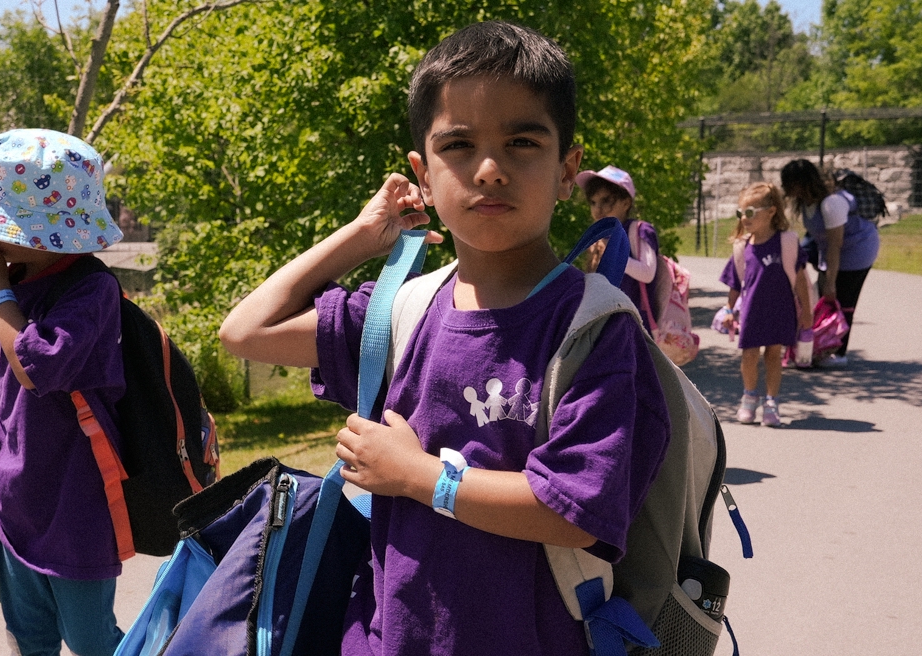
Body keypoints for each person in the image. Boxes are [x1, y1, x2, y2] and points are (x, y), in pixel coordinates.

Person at [218, 22, 670, 656]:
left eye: (522, 142)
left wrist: (418, 476)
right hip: (383, 639)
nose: (489, 170)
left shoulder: (593, 327)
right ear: (422, 177)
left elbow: (571, 510)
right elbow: (245, 331)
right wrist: (362, 233)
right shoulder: (400, 312)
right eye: (458, 145)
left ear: (569, 169)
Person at [0, 129, 128, 656]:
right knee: (28, 637)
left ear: (39, 232)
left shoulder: (90, 289)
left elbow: (36, 367)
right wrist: (3, 291)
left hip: (75, 503)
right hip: (17, 498)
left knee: (92, 640)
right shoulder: (22, 284)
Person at [719, 183, 812, 427]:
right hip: (752, 311)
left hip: (780, 308)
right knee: (749, 355)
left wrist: (807, 313)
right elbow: (735, 284)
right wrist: (729, 310)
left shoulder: (787, 242)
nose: (744, 218)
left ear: (771, 212)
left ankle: (772, 403)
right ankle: (749, 397)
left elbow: (801, 280)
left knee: (773, 355)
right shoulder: (742, 247)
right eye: (741, 213)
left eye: (750, 212)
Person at [780, 159, 879, 367]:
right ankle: (819, 345)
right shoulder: (807, 203)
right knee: (821, 299)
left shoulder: (831, 204)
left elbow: (836, 244)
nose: (785, 188)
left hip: (858, 250)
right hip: (831, 250)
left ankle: (839, 353)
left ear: (801, 182)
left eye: (789, 183)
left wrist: (831, 281)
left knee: (843, 300)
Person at [577, 165, 659, 313]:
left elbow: (647, 274)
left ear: (626, 203)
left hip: (635, 321)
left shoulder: (638, 231)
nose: (598, 209)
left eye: (606, 201)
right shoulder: (599, 235)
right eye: (593, 202)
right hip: (607, 318)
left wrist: (613, 252)